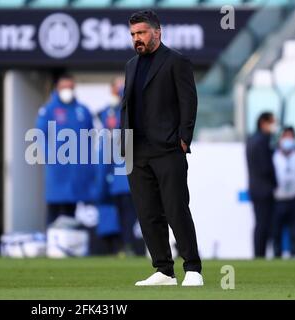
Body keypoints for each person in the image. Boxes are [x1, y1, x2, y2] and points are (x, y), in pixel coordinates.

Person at [119, 10, 202, 286]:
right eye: (133, 34)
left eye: (141, 33)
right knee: (147, 213)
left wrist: (183, 138)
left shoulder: (176, 61)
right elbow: (128, 106)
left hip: (167, 149)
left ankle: (193, 269)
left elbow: (188, 102)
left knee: (176, 208)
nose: (137, 39)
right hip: (137, 151)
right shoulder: (131, 64)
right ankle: (164, 270)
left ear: (158, 32)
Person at [36, 74, 94, 226]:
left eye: (70, 87)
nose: (67, 90)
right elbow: (39, 136)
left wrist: (88, 164)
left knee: (72, 209)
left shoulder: (82, 110)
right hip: (57, 171)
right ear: (57, 88)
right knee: (54, 209)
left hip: (76, 171)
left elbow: (89, 138)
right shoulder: (48, 110)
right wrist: (50, 157)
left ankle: (69, 245)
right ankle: (52, 243)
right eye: (64, 87)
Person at [97, 77, 142, 256]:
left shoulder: (134, 107)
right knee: (123, 215)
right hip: (120, 177)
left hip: (131, 174)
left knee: (132, 215)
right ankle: (125, 246)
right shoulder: (109, 114)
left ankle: (130, 246)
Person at [246, 112, 278, 258]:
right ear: (263, 122)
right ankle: (260, 255)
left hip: (256, 188)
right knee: (263, 225)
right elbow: (266, 167)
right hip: (263, 189)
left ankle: (260, 254)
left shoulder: (252, 139)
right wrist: (275, 182)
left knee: (261, 224)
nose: (274, 126)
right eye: (272, 122)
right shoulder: (262, 141)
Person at [272, 127, 295, 258]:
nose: (288, 139)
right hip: (278, 199)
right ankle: (276, 256)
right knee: (276, 231)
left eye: (291, 136)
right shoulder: (273, 154)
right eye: (286, 136)